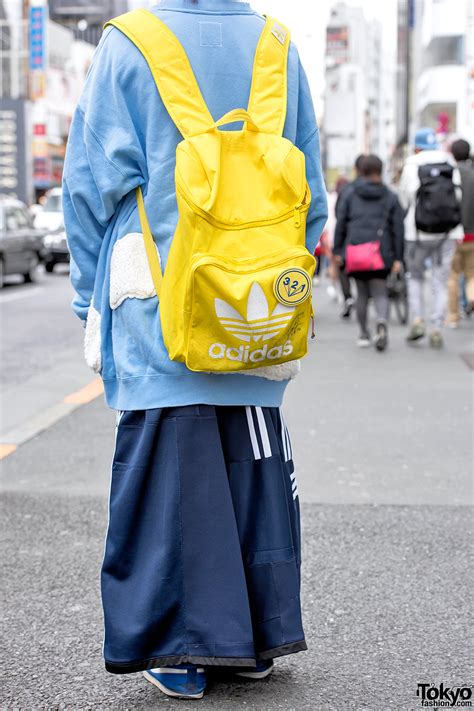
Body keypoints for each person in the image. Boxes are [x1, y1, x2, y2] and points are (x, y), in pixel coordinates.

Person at [62, 0, 328, 701]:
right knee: (255, 473)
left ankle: (179, 646)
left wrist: (90, 302)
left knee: (170, 476)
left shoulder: (130, 43)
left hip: (159, 305)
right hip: (257, 309)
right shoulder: (275, 43)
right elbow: (312, 191)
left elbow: (89, 188)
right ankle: (255, 637)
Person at [399, 127, 463, 348]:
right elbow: (457, 196)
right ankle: (436, 326)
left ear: (417, 146)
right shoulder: (449, 163)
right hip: (448, 232)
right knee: (440, 279)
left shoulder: (411, 164)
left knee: (415, 277)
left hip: (417, 232)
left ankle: (418, 320)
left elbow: (405, 200)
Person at [334, 154, 404, 351]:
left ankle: (364, 333)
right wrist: (399, 257)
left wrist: (338, 249)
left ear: (361, 171)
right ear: (380, 171)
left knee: (362, 294)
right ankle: (381, 322)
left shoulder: (350, 193)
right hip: (381, 252)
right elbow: (398, 228)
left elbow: (341, 222)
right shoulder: (390, 196)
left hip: (355, 251)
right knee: (380, 292)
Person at [447, 138, 474, 325]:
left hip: (453, 234)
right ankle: (472, 298)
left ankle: (453, 316)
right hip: (473, 234)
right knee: (472, 273)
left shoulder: (448, 175)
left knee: (453, 276)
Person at [335, 155, 366, 318]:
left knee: (343, 269)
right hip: (375, 245)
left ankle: (348, 298)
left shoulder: (347, 190)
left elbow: (339, 216)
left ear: (356, 169)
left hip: (351, 241)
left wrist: (337, 248)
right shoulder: (385, 190)